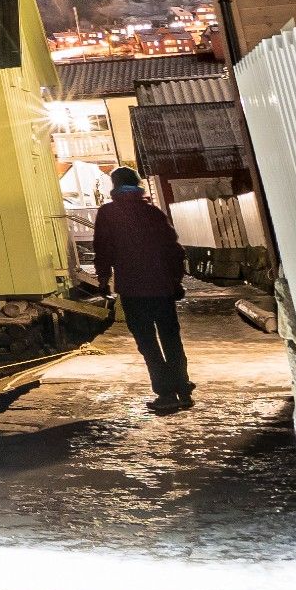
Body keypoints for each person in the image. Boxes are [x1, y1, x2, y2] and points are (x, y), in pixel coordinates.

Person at [92, 166, 193, 413]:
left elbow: (103, 249)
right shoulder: (153, 213)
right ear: (138, 185)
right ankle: (182, 386)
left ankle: (166, 392)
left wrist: (103, 279)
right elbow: (174, 250)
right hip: (162, 288)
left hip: (132, 290)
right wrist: (175, 280)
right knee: (171, 338)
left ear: (114, 187)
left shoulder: (107, 214)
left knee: (147, 342)